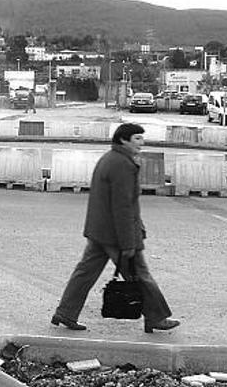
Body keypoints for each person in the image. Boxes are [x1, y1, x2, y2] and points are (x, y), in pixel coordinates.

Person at [51, 123, 179, 333]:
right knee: (139, 274)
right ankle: (156, 317)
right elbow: (122, 206)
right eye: (137, 138)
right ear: (123, 140)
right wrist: (129, 242)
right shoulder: (122, 165)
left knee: (85, 273)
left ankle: (65, 313)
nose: (141, 143)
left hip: (100, 231)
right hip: (116, 235)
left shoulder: (110, 159)